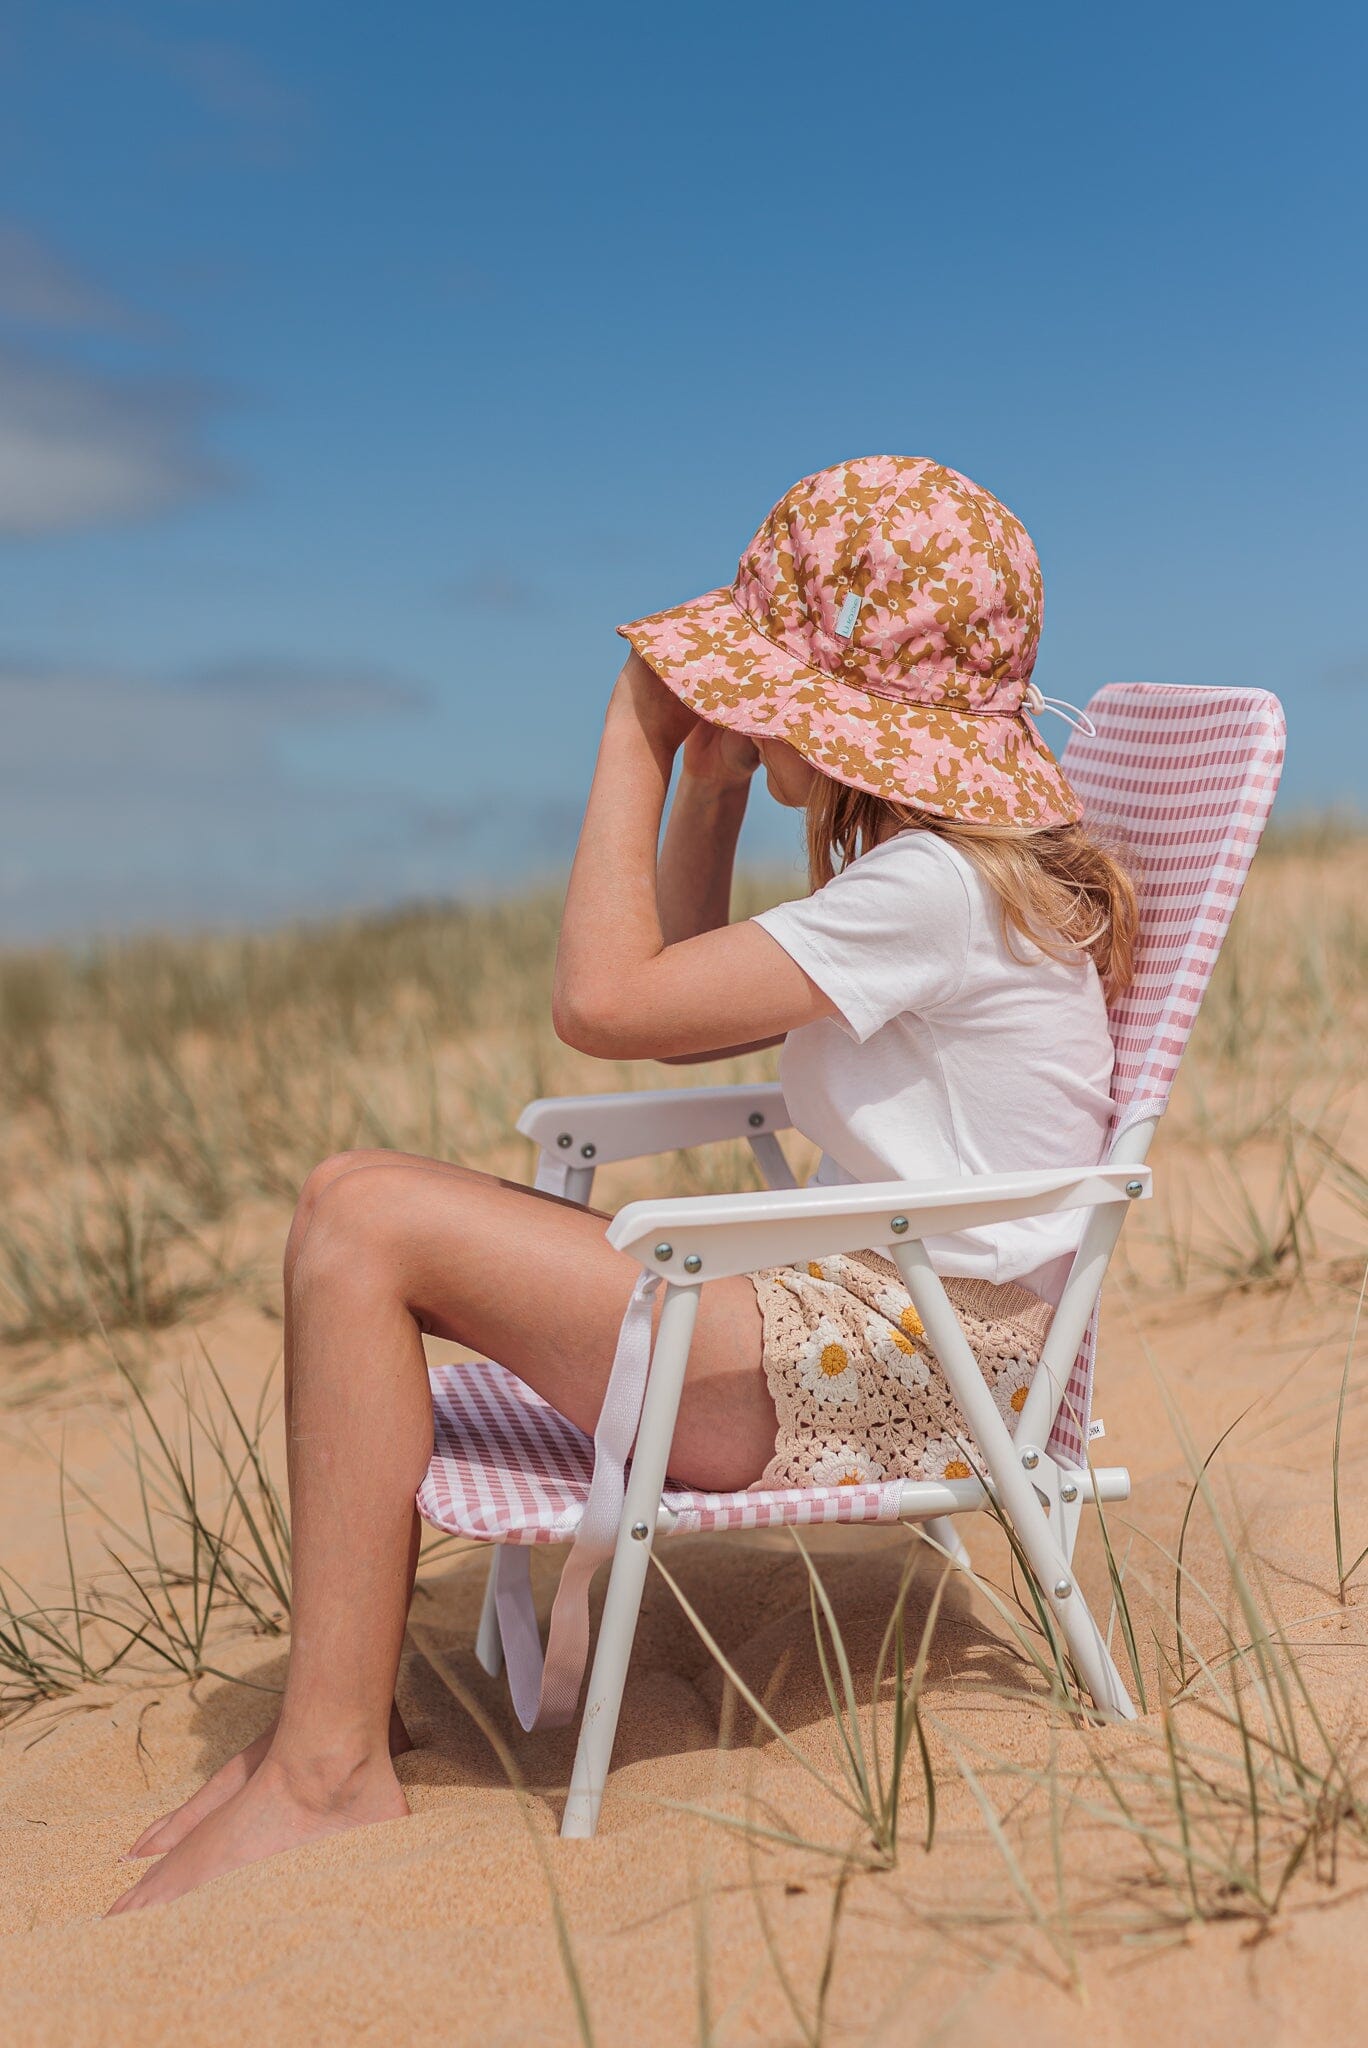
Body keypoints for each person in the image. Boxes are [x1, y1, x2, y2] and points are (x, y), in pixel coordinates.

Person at [109, 455, 1135, 1912]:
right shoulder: (942, 879)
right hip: (888, 1330)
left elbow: (603, 1000)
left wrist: (638, 737)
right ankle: (345, 1726)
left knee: (358, 1211)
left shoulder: (929, 892)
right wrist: (717, 792)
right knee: (359, 1201)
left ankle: (330, 1764)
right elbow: (686, 1006)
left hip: (898, 1358)